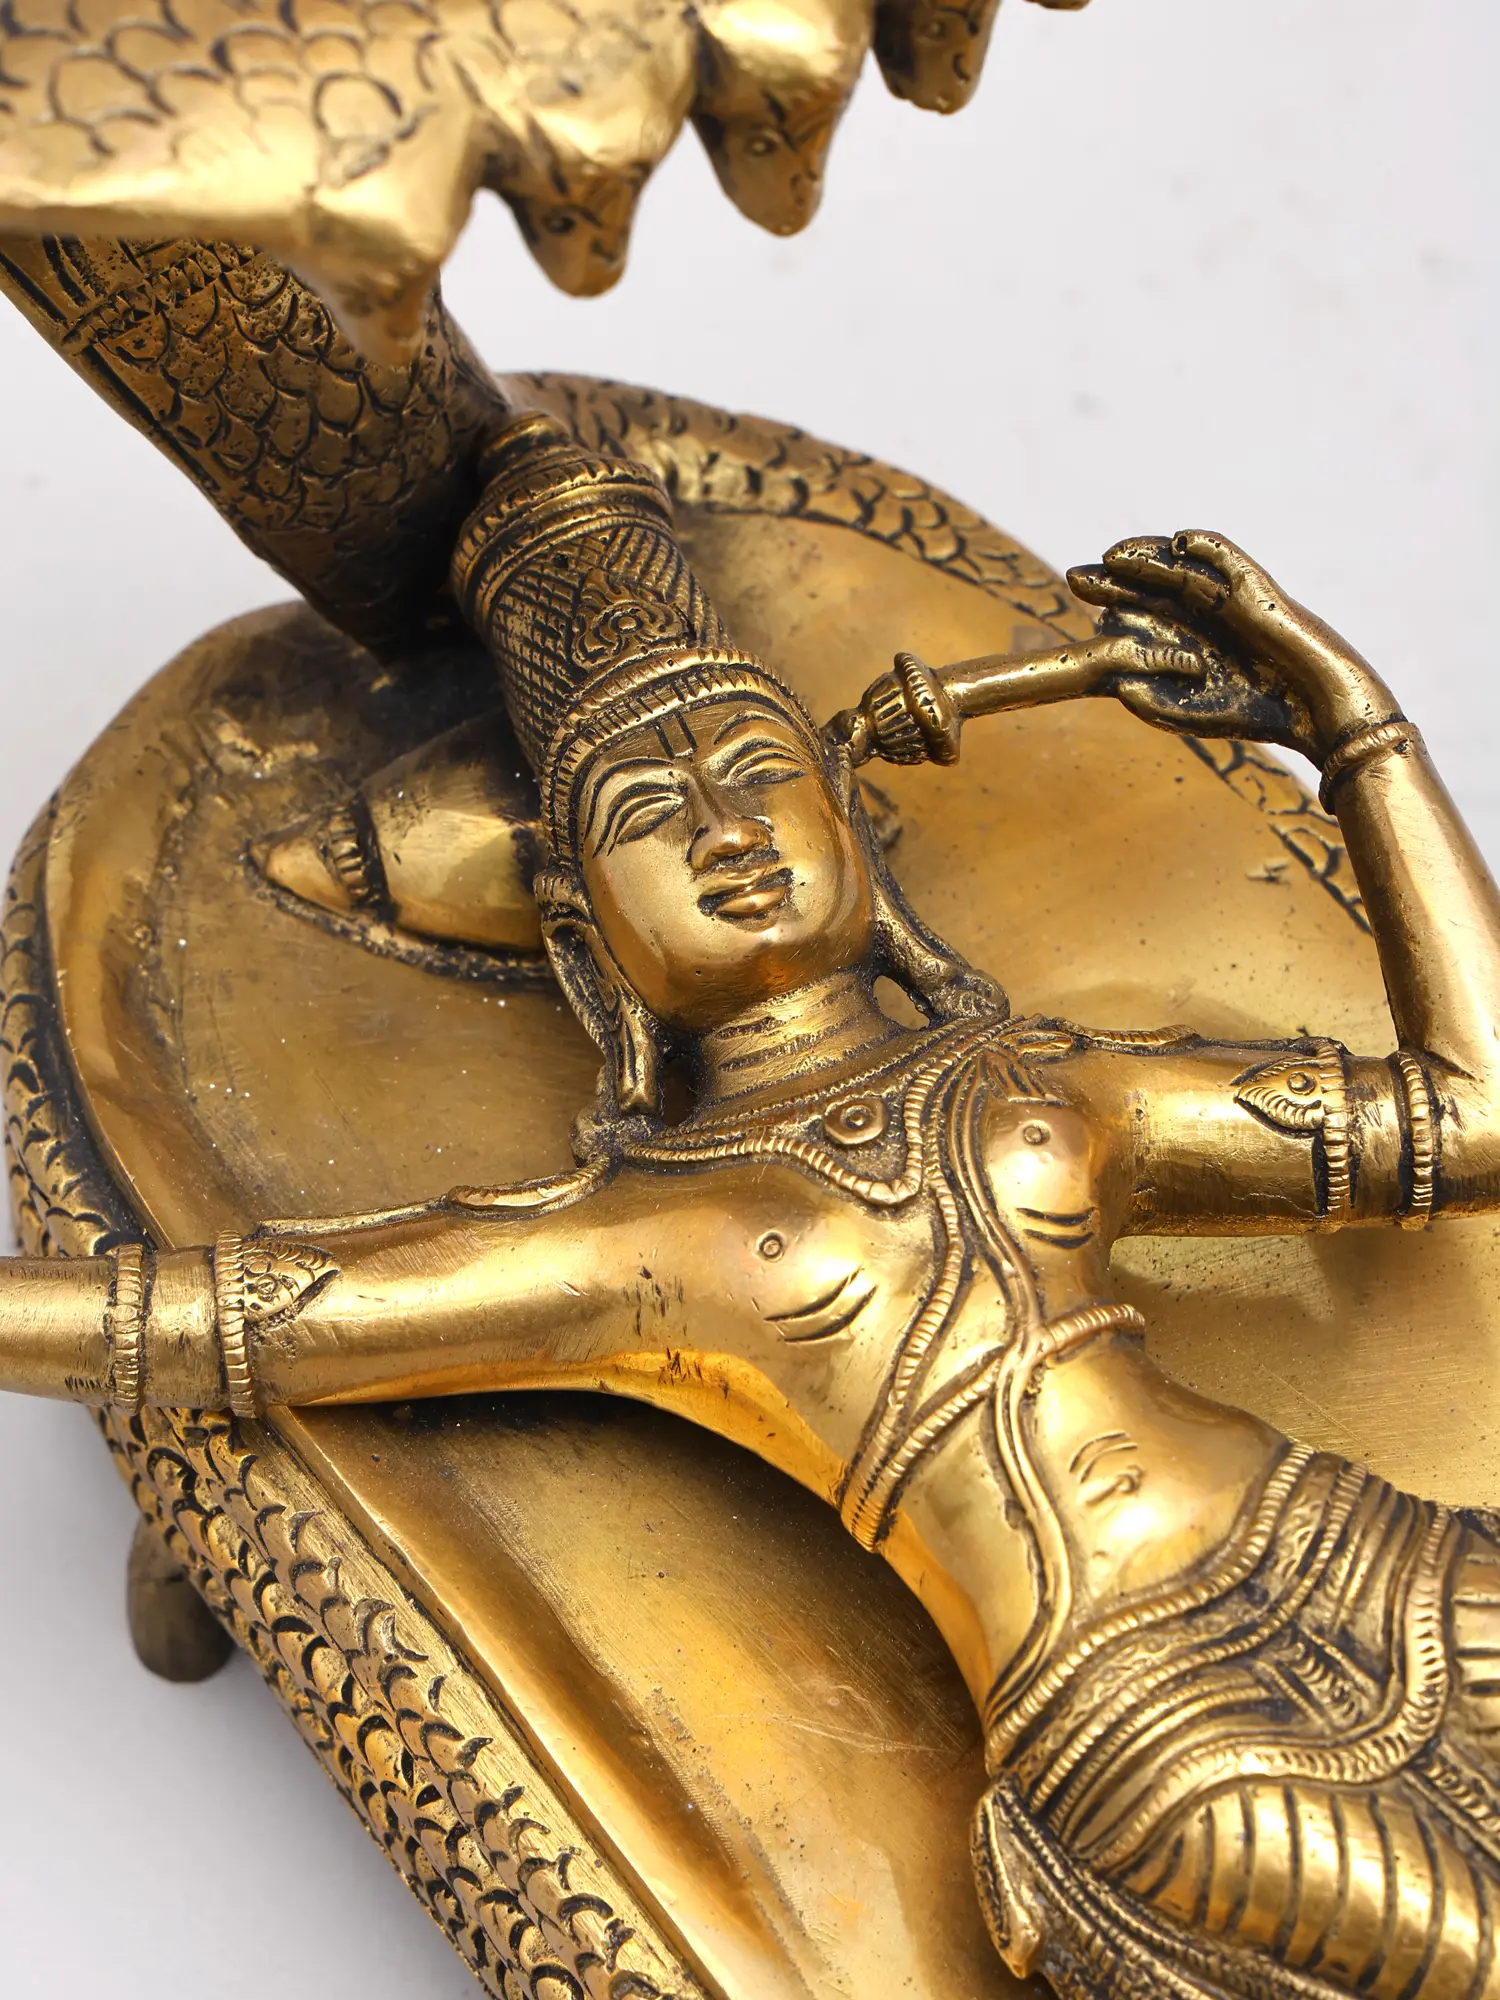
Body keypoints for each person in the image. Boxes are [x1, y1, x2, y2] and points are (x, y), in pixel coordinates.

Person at [3, 415, 1499, 2000]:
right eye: (650, 813)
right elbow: (212, 1323)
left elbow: (1467, 1122)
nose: (727, 832)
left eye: (764, 776)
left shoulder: (1036, 1083)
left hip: (1361, 1547)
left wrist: (1359, 735)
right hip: (1146, 1712)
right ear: (580, 917)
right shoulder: (654, 1237)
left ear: (853, 821)